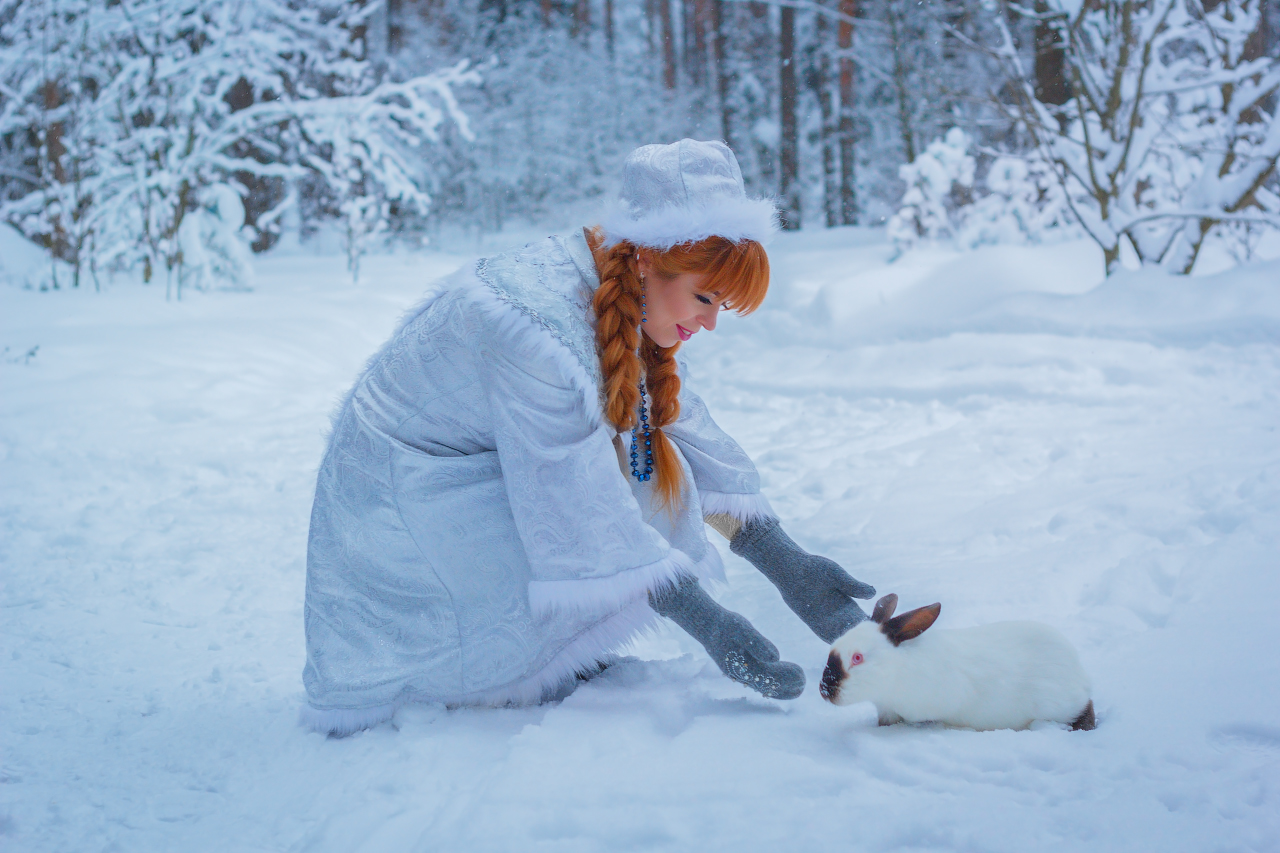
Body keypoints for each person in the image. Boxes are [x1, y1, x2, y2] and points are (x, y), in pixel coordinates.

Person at [301, 139, 876, 736]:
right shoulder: (535, 331)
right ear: (649, 259)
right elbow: (573, 498)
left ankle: (543, 651)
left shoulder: (614, 285)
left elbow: (678, 423)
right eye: (705, 297)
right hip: (399, 532)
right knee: (611, 479)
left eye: (722, 306)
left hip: (449, 489)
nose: (708, 322)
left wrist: (787, 566)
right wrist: (704, 619)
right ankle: (480, 672)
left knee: (651, 454)